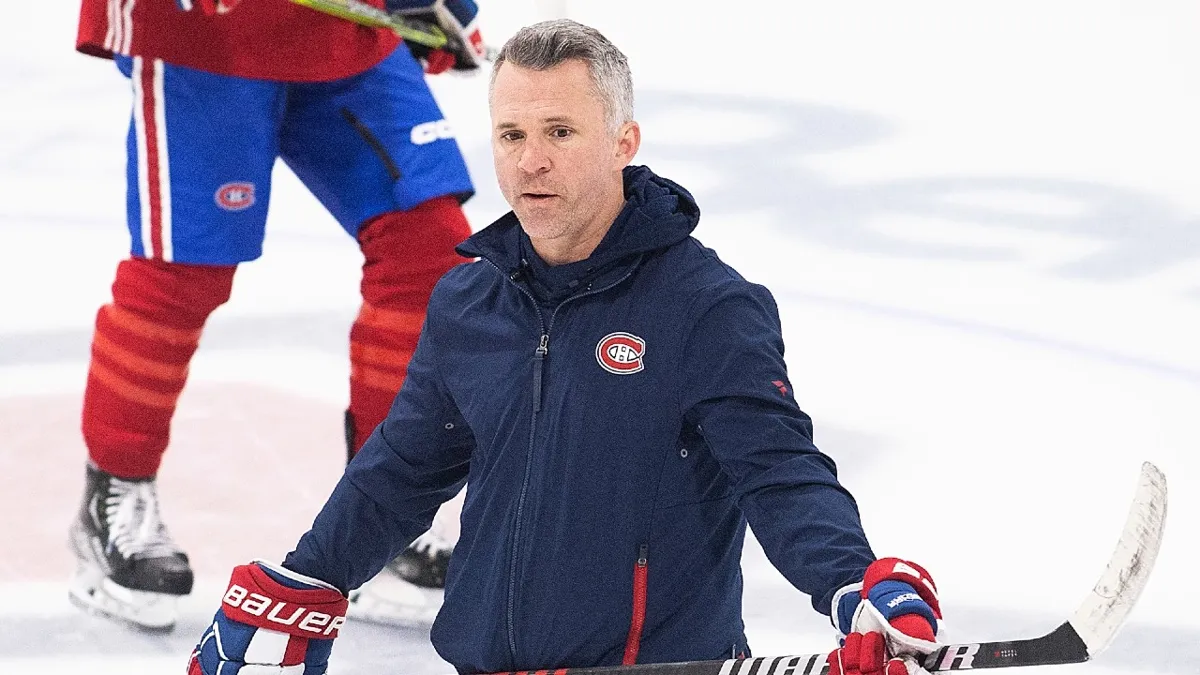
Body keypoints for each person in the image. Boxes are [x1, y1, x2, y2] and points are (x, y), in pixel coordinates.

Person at [187, 18, 946, 675]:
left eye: (559, 132)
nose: (530, 161)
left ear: (624, 142)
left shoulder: (705, 308)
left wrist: (854, 582)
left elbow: (780, 473)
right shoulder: (469, 300)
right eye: (511, 135)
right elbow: (402, 472)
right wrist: (308, 577)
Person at [68, 0, 488, 631]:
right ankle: (113, 497)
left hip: (349, 34)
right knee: (184, 274)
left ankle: (384, 512)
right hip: (205, 42)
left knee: (428, 256)